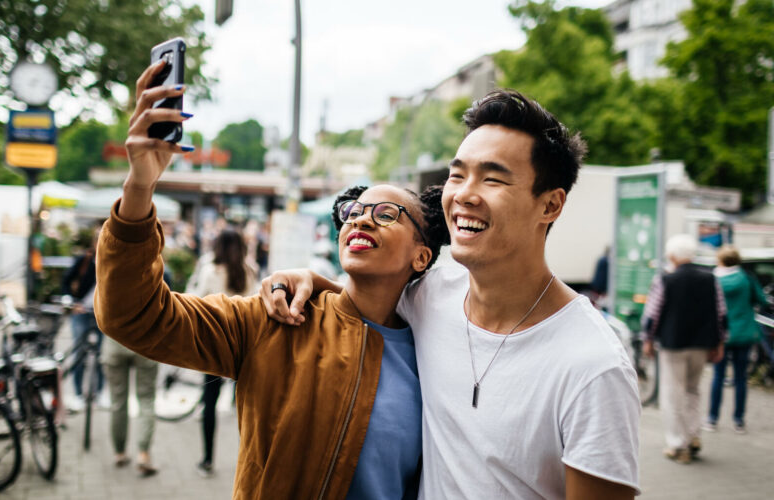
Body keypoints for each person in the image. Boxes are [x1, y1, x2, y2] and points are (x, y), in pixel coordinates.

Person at [94, 59, 449, 498]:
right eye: (353, 213)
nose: (361, 220)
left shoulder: (437, 352)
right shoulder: (274, 321)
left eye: (386, 214)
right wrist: (139, 186)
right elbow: (133, 315)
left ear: (421, 256)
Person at [262, 90, 641, 499]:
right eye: (458, 175)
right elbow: (366, 300)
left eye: (493, 178)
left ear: (550, 205)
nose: (463, 195)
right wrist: (310, 281)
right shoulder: (431, 295)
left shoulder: (594, 366)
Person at [642, 234, 727, 464]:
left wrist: (647, 339)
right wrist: (719, 343)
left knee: (672, 394)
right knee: (693, 390)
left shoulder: (665, 280)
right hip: (701, 344)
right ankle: (694, 436)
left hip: (673, 344)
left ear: (672, 256)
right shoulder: (711, 279)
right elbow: (721, 314)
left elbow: (653, 314)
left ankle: (678, 445)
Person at [185, 228, 258, 477]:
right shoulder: (249, 272)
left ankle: (207, 459)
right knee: (246, 407)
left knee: (209, 403)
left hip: (214, 347)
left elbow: (196, 304)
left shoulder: (210, 270)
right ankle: (247, 459)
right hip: (243, 346)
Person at [703, 245, 768, 434]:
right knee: (741, 377)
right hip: (745, 333)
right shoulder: (747, 279)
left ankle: (712, 419)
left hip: (721, 335)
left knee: (718, 376)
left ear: (720, 260)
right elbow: (762, 300)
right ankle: (739, 420)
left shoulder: (713, 280)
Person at [61, 227, 105, 411]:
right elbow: (65, 281)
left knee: (102, 355)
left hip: (102, 315)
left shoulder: (114, 264)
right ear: (94, 243)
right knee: (79, 353)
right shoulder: (85, 261)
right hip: (82, 312)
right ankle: (79, 393)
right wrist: (71, 301)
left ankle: (100, 393)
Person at [102, 337, 160, 476]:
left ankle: (120, 453)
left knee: (117, 402)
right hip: (146, 343)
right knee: (146, 400)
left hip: (115, 343)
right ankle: (143, 454)